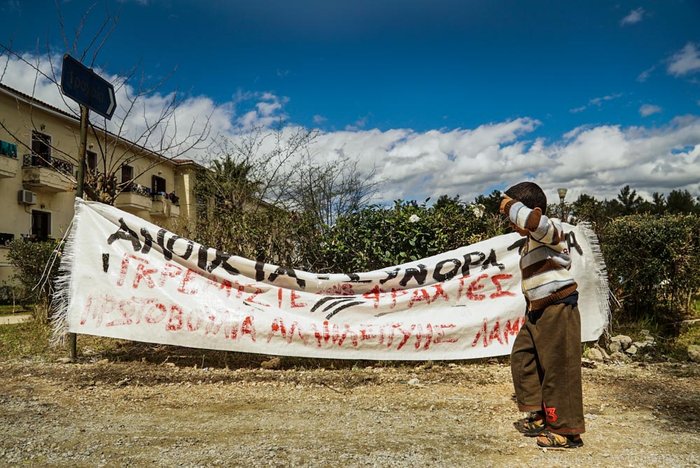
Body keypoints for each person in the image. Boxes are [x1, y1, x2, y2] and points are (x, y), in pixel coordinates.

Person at [499, 181, 585, 449]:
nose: (511, 223)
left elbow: (535, 221)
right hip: (537, 310)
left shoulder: (548, 230)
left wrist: (509, 204)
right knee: (523, 357)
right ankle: (540, 414)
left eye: (513, 216)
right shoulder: (529, 242)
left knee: (559, 367)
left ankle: (565, 430)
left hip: (559, 308)